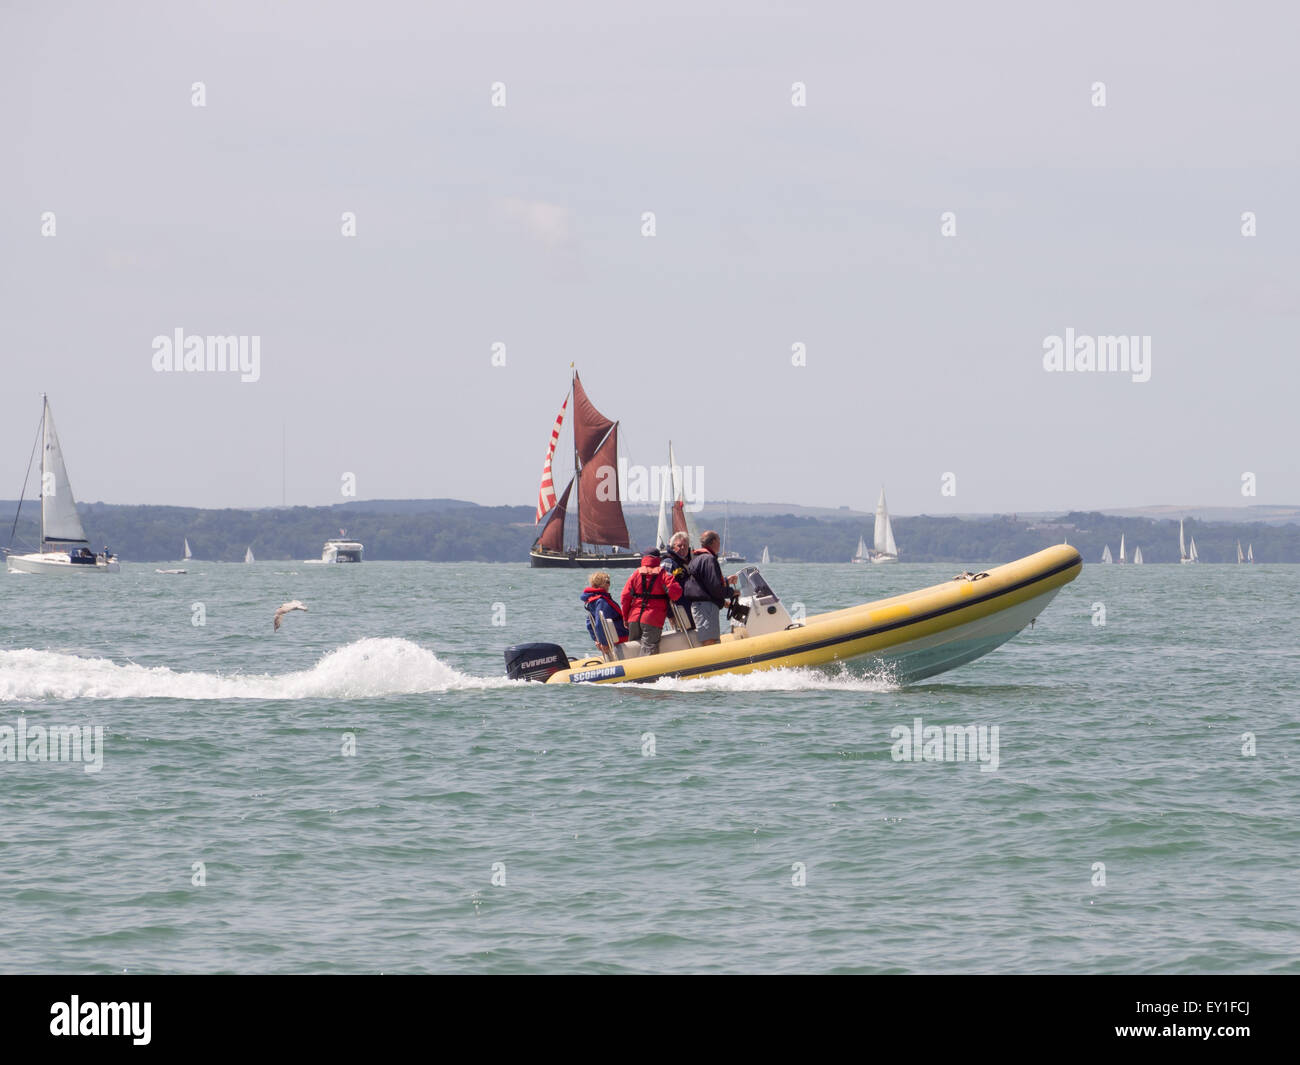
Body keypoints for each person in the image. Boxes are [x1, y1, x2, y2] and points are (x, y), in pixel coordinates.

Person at [620, 548, 682, 655]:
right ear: (658, 559)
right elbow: (676, 594)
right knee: (649, 650)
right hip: (652, 618)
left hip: (634, 618)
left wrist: (625, 617)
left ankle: (632, 670)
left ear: (644, 558)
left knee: (633, 649)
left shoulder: (636, 574)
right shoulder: (664, 574)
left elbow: (625, 597)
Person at [683, 530, 737, 646]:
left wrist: (726, 581)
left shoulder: (697, 558)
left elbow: (705, 583)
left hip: (701, 605)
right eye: (718, 540)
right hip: (706, 607)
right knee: (710, 640)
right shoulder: (709, 559)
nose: (719, 544)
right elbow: (715, 587)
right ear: (713, 542)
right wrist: (732, 592)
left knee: (711, 638)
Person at [580, 571, 628, 655]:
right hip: (620, 635)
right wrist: (603, 643)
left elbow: (589, 623)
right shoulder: (602, 601)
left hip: (614, 636)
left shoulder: (593, 601)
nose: (609, 585)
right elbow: (599, 623)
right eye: (608, 582)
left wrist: (596, 639)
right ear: (602, 584)